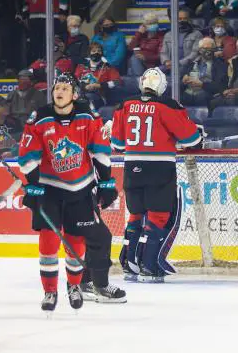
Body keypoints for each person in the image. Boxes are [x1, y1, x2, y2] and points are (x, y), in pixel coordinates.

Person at [18, 73, 125, 311]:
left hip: (81, 189)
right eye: (57, 87)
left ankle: (75, 286)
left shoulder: (88, 116)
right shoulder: (40, 118)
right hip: (50, 191)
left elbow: (100, 150)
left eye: (65, 88)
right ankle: (49, 291)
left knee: (77, 241)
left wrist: (106, 182)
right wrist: (33, 185)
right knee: (48, 241)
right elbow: (28, 155)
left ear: (74, 94)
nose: (60, 91)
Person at [111, 68, 203, 282]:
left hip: (131, 167)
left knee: (135, 217)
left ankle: (128, 265)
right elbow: (191, 140)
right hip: (160, 168)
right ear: (161, 86)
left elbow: (116, 144)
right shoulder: (168, 106)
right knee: (157, 217)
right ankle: (149, 267)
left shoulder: (123, 105)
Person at [181, 37, 228, 107]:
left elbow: (220, 86)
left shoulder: (221, 65)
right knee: (176, 97)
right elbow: (179, 81)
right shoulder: (191, 64)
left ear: (214, 49)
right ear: (200, 50)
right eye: (205, 49)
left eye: (210, 49)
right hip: (189, 92)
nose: (208, 51)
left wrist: (202, 85)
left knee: (201, 97)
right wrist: (183, 79)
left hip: (207, 92)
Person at [74, 42, 121, 108]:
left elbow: (117, 82)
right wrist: (84, 86)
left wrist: (99, 85)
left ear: (102, 53)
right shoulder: (82, 66)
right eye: (93, 51)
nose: (96, 53)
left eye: (99, 51)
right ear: (89, 53)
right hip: (81, 94)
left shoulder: (107, 67)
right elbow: (74, 81)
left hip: (99, 97)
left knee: (88, 99)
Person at [160, 8, 203, 74]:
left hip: (188, 66)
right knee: (152, 76)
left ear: (189, 20)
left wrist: (178, 63)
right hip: (170, 66)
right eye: (179, 19)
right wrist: (166, 61)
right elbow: (163, 52)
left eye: (185, 18)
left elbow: (194, 54)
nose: (182, 21)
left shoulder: (197, 34)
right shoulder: (168, 35)